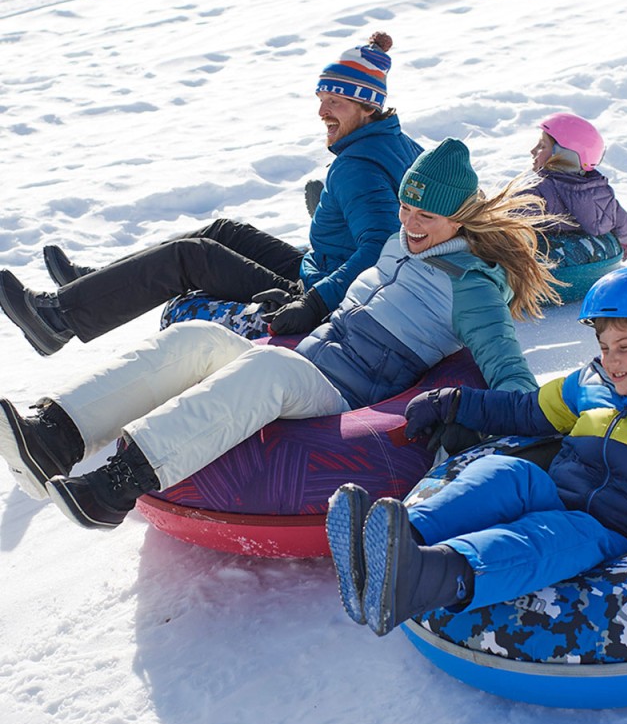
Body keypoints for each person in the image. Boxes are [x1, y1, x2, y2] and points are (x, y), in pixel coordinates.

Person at [0, 138, 561, 531]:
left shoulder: (473, 285)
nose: (410, 223)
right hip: (312, 356)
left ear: (460, 219)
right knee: (195, 336)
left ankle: (116, 486)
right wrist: (306, 304)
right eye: (405, 207)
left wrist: (530, 425)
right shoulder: (401, 241)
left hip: (343, 395)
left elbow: (505, 365)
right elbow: (355, 285)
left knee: (269, 369)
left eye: (426, 217)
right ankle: (55, 435)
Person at [326, 265, 627, 638]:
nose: (610, 361)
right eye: (603, 345)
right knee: (508, 473)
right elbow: (528, 412)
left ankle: (428, 576)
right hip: (556, 491)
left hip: (612, 532)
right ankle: (397, 539)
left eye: (625, 347)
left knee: (550, 534)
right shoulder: (591, 384)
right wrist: (457, 402)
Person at [0, 33, 423, 355]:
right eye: (321, 98)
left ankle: (58, 318)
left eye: (336, 101)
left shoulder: (357, 168)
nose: (321, 112)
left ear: (367, 106)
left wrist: (314, 302)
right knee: (226, 230)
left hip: (320, 294)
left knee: (190, 256)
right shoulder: (398, 143)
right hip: (323, 270)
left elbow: (380, 250)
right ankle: (94, 286)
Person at [526, 112, 627, 261]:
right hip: (599, 261)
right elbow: (626, 225)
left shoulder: (538, 191)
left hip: (557, 269)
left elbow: (506, 222)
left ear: (564, 155)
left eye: (542, 146)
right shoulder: (601, 194)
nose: (533, 151)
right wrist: (625, 246)